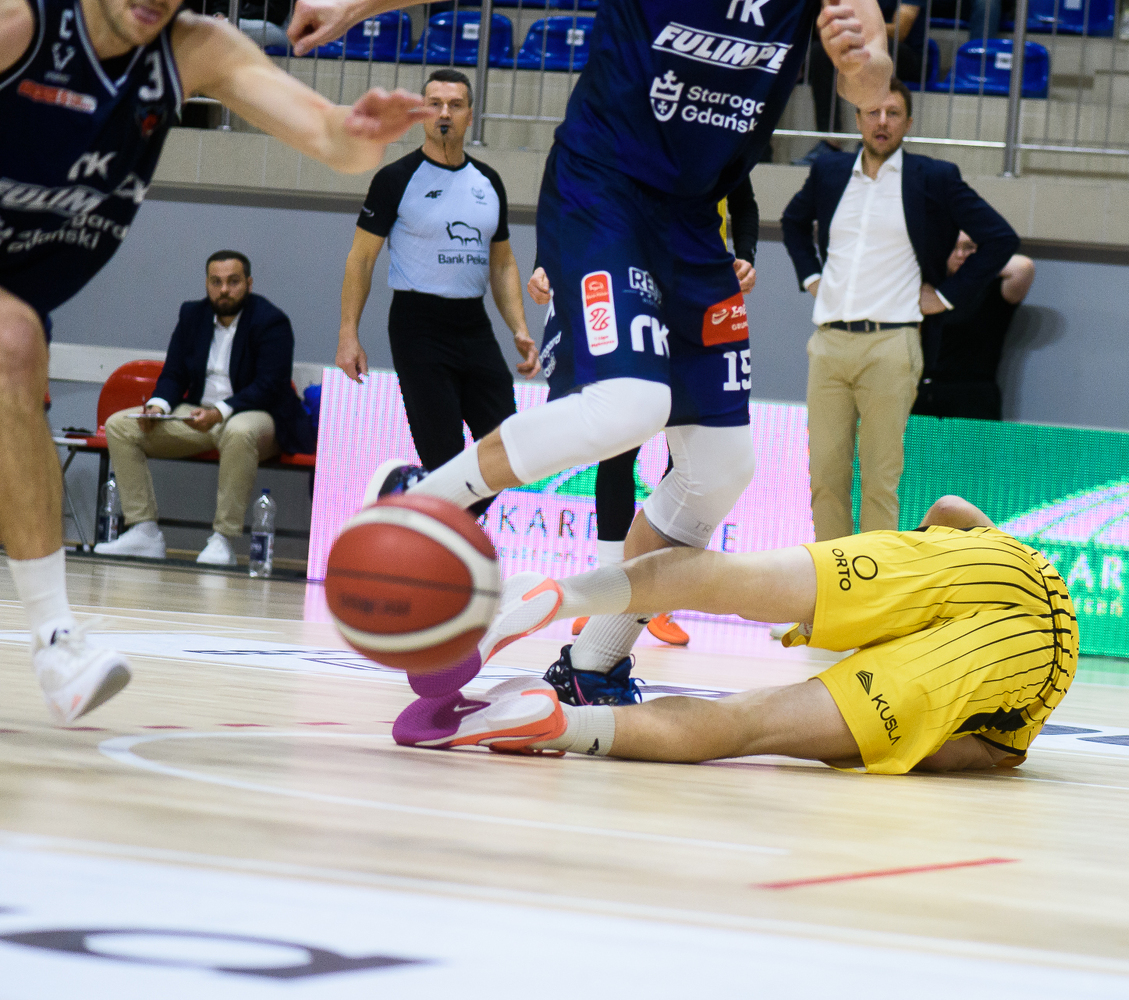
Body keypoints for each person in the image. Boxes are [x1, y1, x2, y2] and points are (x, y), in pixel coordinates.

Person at [299, 0, 894, 722]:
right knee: (631, 405)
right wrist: (350, 6)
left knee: (722, 466)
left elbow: (872, 85)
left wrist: (863, 67)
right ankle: (420, 499)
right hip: (604, 190)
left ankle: (591, 664)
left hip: (694, 218)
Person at [0, 0, 430, 723]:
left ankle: (56, 643)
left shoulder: (193, 48)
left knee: (14, 349)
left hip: (20, 292)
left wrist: (359, 134)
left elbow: (333, 140)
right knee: (14, 342)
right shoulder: (24, 25)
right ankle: (55, 640)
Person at [395, 494, 1077, 777]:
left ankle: (558, 595)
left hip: (982, 564)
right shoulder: (1024, 721)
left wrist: (889, 598)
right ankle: (558, 725)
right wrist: (849, 735)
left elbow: (950, 509)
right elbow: (950, 755)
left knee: (730, 577)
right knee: (747, 724)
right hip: (997, 659)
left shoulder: (1028, 556)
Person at [781, 77, 1018, 542]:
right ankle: (830, 581)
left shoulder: (934, 177)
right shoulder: (829, 171)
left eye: (893, 113)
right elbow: (792, 222)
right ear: (857, 119)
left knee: (879, 480)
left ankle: (876, 584)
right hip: (828, 342)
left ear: (908, 122)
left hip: (892, 344)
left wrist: (945, 296)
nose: (882, 121)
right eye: (873, 112)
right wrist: (811, 277)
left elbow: (1000, 237)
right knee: (824, 477)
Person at [529, 177, 761, 649]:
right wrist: (544, 260)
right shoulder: (623, 147)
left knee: (689, 461)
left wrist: (746, 255)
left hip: (698, 297)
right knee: (619, 448)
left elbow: (744, 199)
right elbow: (567, 194)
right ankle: (604, 591)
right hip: (632, 290)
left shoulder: (719, 146)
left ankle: (659, 600)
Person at [337, 68, 538, 513]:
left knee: (510, 449)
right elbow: (361, 259)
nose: (445, 113)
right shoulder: (395, 179)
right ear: (422, 113)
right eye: (435, 104)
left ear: (470, 116)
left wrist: (520, 329)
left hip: (474, 324)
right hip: (418, 325)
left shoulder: (489, 181)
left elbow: (502, 262)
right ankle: (437, 531)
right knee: (444, 456)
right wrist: (348, 334)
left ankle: (416, 506)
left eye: (456, 105)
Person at [95, 250, 313, 565]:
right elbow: (174, 374)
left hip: (257, 415)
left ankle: (223, 539)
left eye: (233, 282)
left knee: (239, 432)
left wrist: (220, 411)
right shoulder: (192, 316)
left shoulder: (271, 321)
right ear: (207, 284)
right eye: (216, 282)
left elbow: (270, 385)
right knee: (120, 425)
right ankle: (144, 531)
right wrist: (157, 407)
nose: (224, 290)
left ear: (249, 283)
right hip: (199, 414)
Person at [913, 236, 1034, 421]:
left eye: (969, 248)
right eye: (953, 248)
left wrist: (975, 268)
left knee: (972, 443)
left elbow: (1023, 267)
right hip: (923, 392)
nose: (961, 254)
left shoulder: (993, 291)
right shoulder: (930, 289)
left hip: (972, 397)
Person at [796, 0, 930, 166]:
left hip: (906, 53)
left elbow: (900, 30)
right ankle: (829, 140)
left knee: (870, 54)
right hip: (865, 41)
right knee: (820, 52)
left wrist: (858, 29)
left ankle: (871, 140)